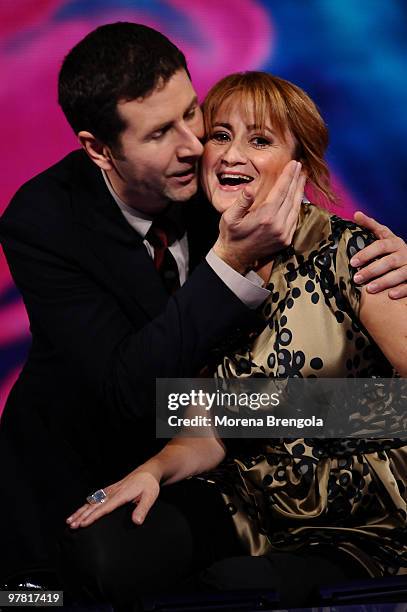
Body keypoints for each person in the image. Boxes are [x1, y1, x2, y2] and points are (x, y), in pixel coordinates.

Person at [66, 71, 407, 608]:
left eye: (260, 139)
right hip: (250, 505)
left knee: (229, 592)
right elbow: (202, 424)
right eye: (220, 135)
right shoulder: (206, 268)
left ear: (301, 161)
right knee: (106, 551)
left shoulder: (358, 254)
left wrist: (258, 409)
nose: (231, 155)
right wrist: (151, 470)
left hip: (363, 518)